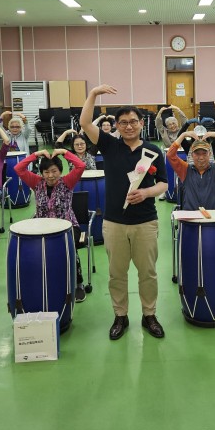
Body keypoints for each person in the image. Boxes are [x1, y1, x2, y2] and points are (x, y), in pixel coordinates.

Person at [80, 85, 168, 341]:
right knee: (117, 274)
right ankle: (120, 315)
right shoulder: (109, 145)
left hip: (145, 221)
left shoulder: (153, 151)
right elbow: (84, 122)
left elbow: (164, 184)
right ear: (116, 126)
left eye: (133, 121)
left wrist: (146, 192)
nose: (129, 126)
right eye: (123, 123)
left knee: (148, 273)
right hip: (114, 223)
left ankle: (149, 314)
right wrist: (94, 94)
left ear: (142, 123)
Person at [14, 148, 88, 302]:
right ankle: (47, 280)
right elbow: (18, 168)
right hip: (43, 227)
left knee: (68, 246)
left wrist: (64, 152)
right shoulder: (36, 182)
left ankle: (78, 283)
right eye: (46, 172)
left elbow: (80, 166)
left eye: (54, 171)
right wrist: (36, 155)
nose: (50, 175)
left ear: (60, 171)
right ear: (41, 173)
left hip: (68, 226)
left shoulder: (67, 182)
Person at [166, 131, 215, 211]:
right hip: (190, 216)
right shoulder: (185, 169)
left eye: (204, 153)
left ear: (210, 154)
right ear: (192, 155)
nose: (201, 157)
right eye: (197, 154)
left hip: (214, 216)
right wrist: (183, 135)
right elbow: (170, 155)